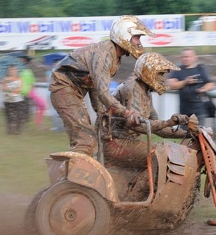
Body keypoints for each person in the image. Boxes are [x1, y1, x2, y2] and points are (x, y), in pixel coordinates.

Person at [49, 15, 154, 157]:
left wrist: (100, 111)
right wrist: (126, 112)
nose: (139, 42)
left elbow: (94, 85)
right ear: (124, 35)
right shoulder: (105, 54)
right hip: (63, 87)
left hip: (74, 91)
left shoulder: (115, 57)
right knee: (85, 140)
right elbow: (103, 93)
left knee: (93, 139)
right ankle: (72, 177)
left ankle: (81, 172)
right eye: (137, 37)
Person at [103, 52, 189, 169]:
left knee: (169, 152)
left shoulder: (146, 92)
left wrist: (188, 133)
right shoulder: (132, 88)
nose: (162, 79)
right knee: (161, 154)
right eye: (160, 74)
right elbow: (137, 126)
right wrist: (169, 122)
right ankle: (141, 187)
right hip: (116, 143)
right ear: (149, 72)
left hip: (129, 142)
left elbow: (158, 128)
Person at [166, 48, 215, 127]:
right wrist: (185, 82)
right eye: (184, 57)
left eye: (188, 56)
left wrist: (203, 89)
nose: (186, 59)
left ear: (195, 57)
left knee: (198, 136)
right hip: (184, 111)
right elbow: (171, 85)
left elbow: (211, 83)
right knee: (184, 135)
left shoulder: (201, 68)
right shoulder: (177, 69)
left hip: (200, 110)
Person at [1, 65, 24, 134]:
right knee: (9, 115)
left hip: (17, 100)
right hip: (8, 100)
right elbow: (3, 88)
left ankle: (17, 129)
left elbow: (20, 89)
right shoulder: (5, 79)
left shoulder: (19, 79)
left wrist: (10, 90)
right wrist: (12, 90)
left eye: (14, 70)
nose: (13, 71)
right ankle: (10, 129)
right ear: (8, 71)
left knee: (18, 114)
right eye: (11, 70)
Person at [18, 54, 35, 127]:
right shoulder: (18, 71)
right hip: (19, 93)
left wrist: (31, 92)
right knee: (20, 108)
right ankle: (21, 122)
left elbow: (32, 83)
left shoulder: (28, 72)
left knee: (26, 108)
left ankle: (24, 123)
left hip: (27, 93)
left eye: (22, 60)